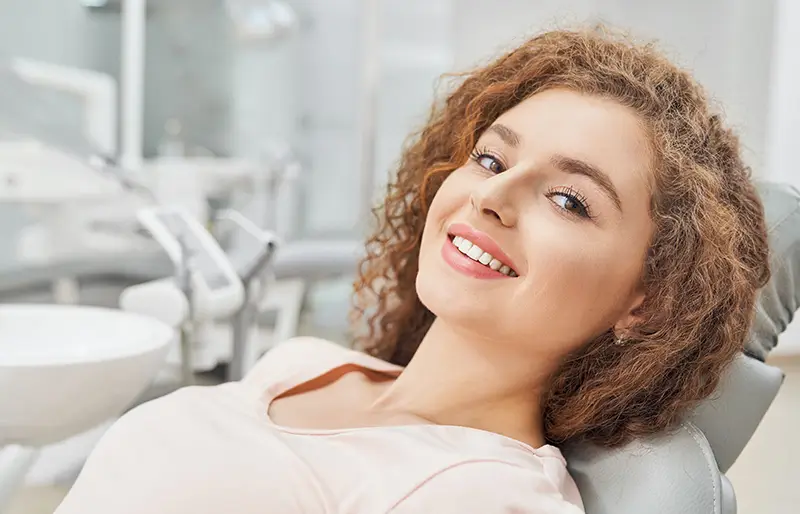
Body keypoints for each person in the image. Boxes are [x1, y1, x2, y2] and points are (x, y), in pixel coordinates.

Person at [54, 27, 770, 514]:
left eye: (568, 199)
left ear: (645, 301)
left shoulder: (486, 495)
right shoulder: (305, 362)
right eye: (491, 158)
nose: (491, 195)